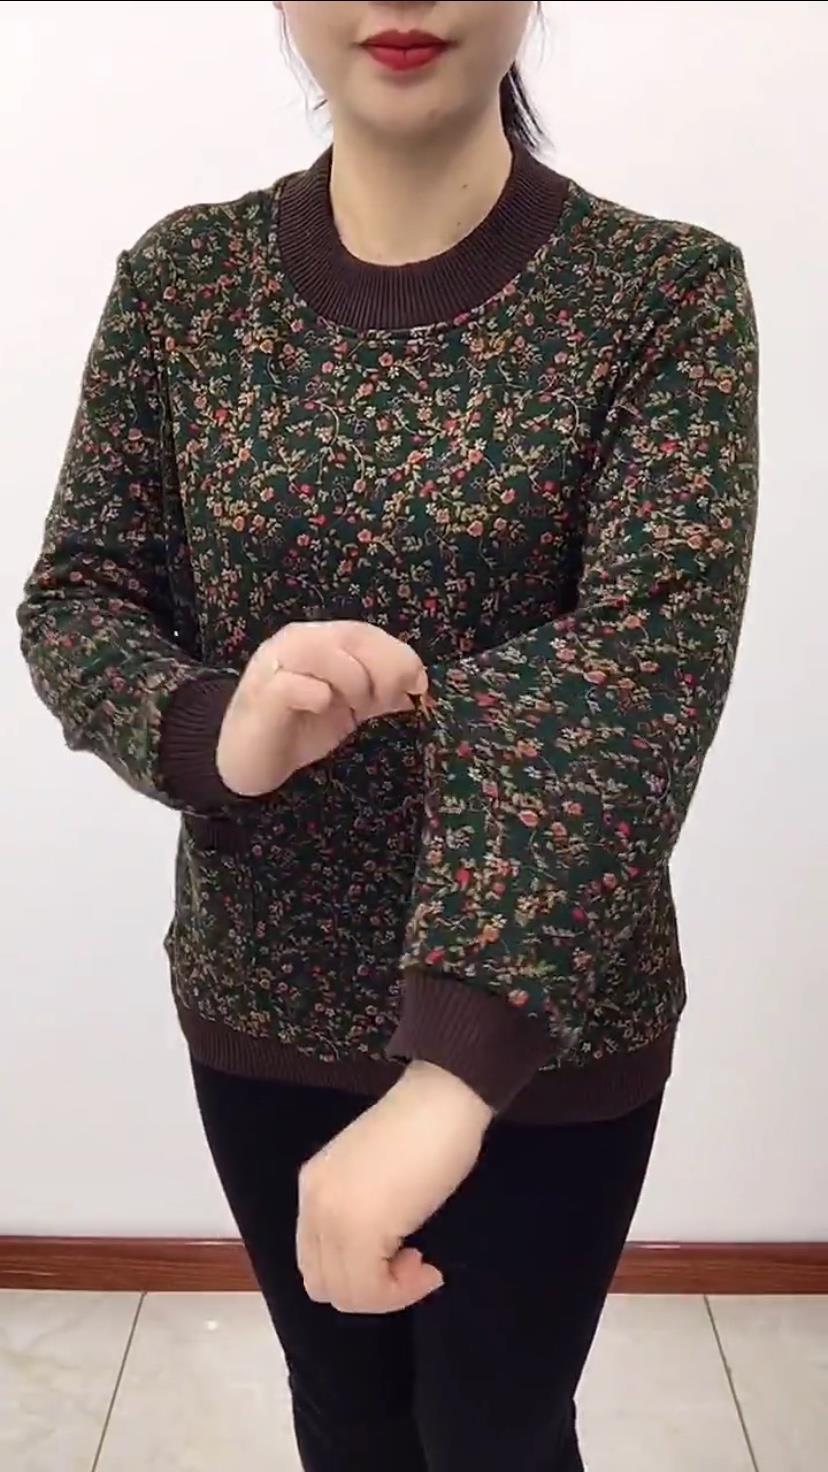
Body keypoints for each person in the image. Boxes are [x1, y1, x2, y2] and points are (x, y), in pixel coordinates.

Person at [17, 2, 758, 1468]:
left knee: (498, 1430)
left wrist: (454, 1070)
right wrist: (219, 728)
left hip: (554, 1027)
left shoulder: (663, 294)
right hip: (264, 998)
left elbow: (636, 674)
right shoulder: (184, 286)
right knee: (346, 1419)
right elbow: (80, 596)